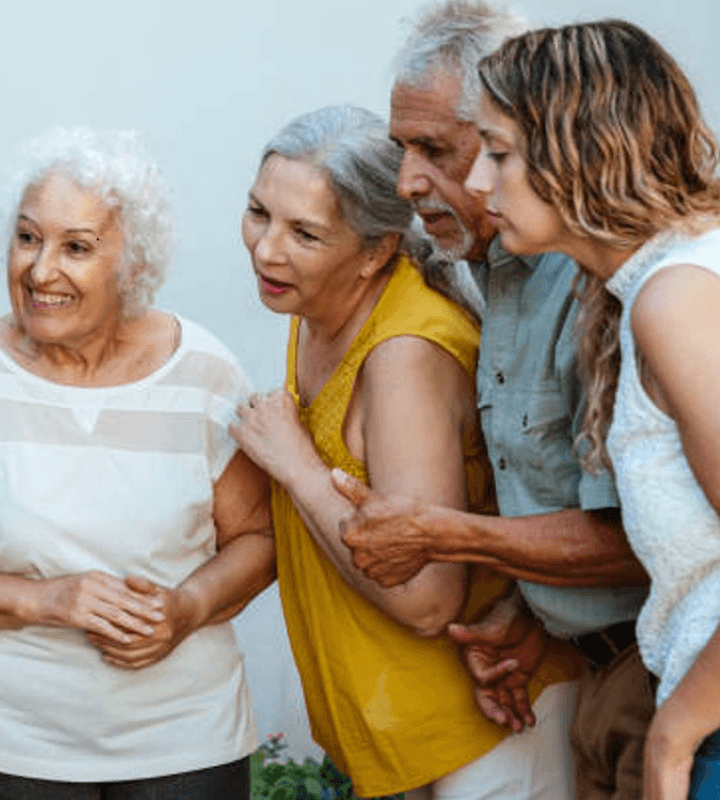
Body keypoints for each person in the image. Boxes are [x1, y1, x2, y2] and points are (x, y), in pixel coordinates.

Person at [0, 127, 276, 800]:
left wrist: (187, 607)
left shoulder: (203, 374)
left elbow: (258, 539)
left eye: (76, 247)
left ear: (132, 262)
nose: (41, 268)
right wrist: (45, 599)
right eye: (28, 238)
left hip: (183, 740)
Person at [335, 2, 652, 796]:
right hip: (588, 670)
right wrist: (527, 608)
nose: (411, 183)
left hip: (662, 675)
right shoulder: (487, 263)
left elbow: (651, 532)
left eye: (438, 149)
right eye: (402, 148)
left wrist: (442, 535)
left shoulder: (610, 285)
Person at [229, 104, 574, 800]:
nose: (267, 248)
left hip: (485, 736)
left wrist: (294, 465)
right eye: (259, 213)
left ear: (376, 251)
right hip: (413, 741)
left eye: (305, 233)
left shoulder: (403, 356)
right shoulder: (318, 307)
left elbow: (425, 598)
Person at [468, 20, 720, 800]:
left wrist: (676, 730)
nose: (479, 181)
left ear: (581, 149)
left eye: (499, 152)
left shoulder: (676, 298)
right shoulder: (657, 284)